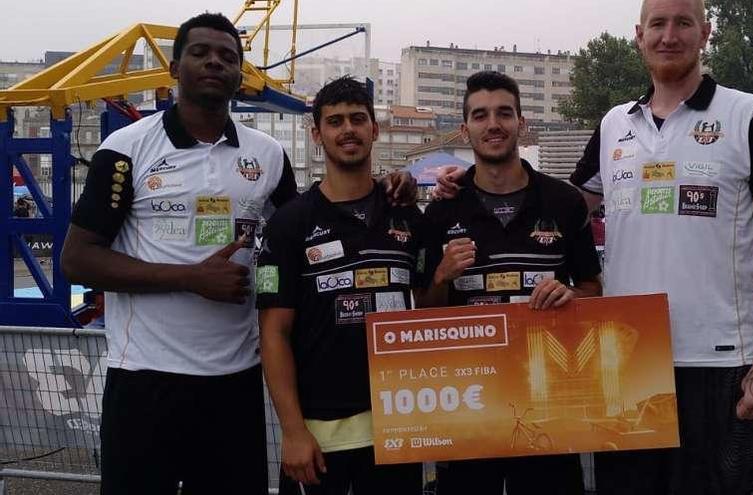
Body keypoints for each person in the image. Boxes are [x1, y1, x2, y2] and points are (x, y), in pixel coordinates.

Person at [61, 13, 414, 495]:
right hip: (144, 379)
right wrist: (189, 277)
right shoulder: (124, 149)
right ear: (173, 68)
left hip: (235, 381)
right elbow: (77, 259)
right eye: (200, 52)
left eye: (228, 56)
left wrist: (392, 185)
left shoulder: (266, 154)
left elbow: (315, 227)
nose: (214, 62)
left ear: (239, 73)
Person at [566, 0, 753, 493]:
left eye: (682, 23)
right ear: (639, 34)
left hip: (720, 364)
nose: (668, 35)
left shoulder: (749, 115)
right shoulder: (615, 124)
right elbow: (562, 210)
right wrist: (472, 184)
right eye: (657, 24)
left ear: (705, 33)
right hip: (629, 362)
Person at [418, 71, 603, 495]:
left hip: (549, 402)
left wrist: (571, 294)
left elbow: (594, 289)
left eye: (504, 113)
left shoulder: (564, 202)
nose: (493, 124)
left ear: (522, 122)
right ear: (466, 130)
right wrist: (442, 277)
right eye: (480, 115)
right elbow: (423, 315)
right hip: (470, 403)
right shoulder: (441, 214)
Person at [256, 76, 425, 495]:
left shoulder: (406, 215)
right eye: (334, 121)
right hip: (317, 438)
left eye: (357, 118)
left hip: (398, 429)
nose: (347, 129)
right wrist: (292, 431)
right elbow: (273, 333)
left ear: (375, 129)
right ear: (317, 134)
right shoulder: (289, 223)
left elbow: (429, 308)